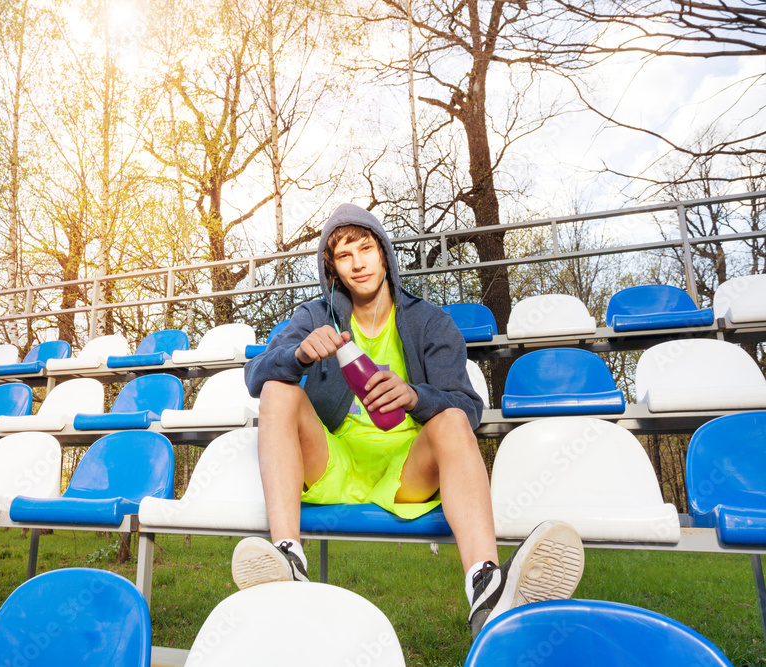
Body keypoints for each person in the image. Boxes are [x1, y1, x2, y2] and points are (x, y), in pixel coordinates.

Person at [232, 202, 584, 637]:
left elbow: (468, 406)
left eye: (365, 248)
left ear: (384, 252)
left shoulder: (430, 321)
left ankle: (487, 588)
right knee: (276, 389)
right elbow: (254, 375)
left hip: (405, 469)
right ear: (332, 267)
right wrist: (298, 355)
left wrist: (414, 396)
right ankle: (289, 559)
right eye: (344, 255)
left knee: (452, 419)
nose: (358, 263)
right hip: (332, 462)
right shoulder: (313, 317)